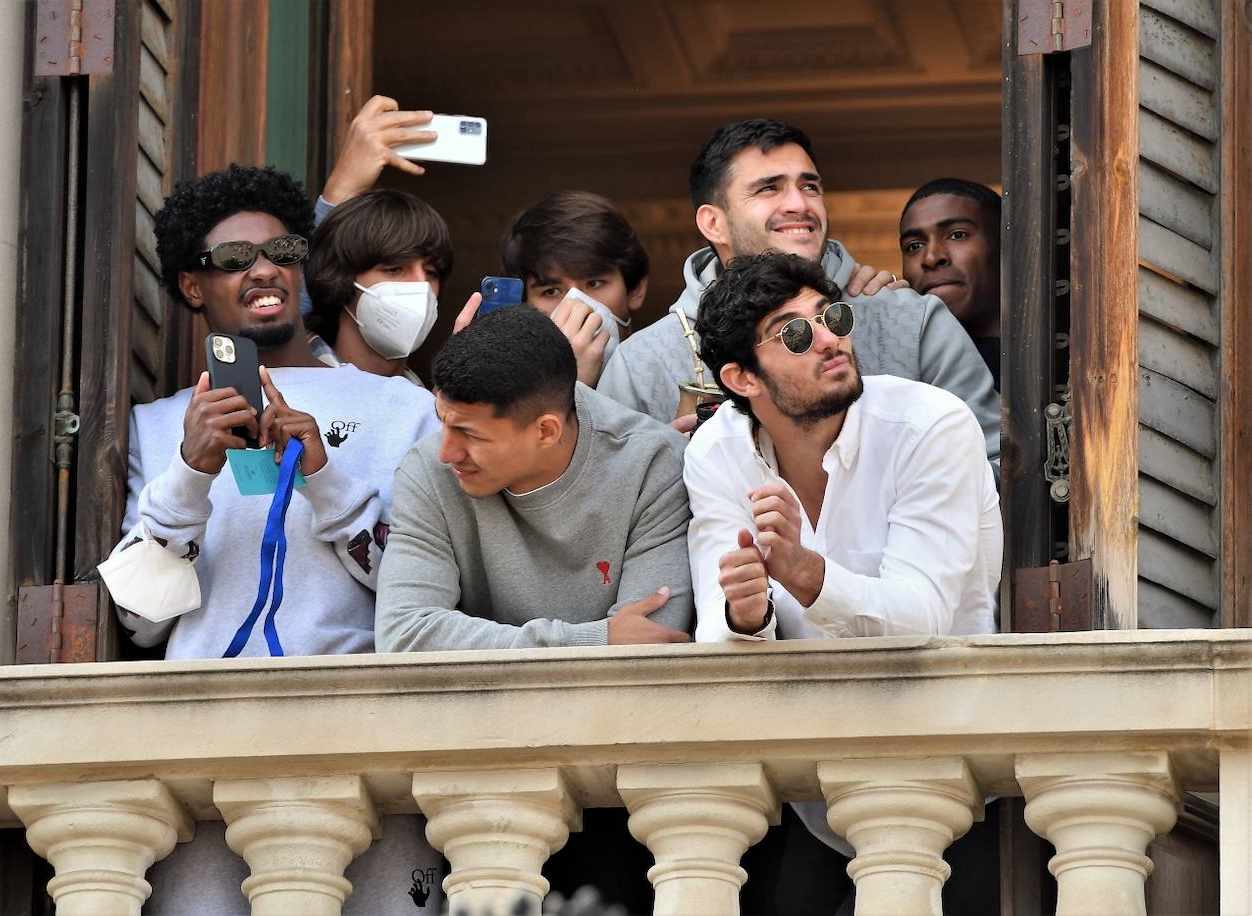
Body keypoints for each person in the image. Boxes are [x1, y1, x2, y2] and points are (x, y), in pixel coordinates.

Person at [111, 163, 443, 915]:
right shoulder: (156, 427)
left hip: (368, 743)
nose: (263, 269)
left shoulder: (402, 409)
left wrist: (323, 475)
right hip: (205, 756)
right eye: (232, 260)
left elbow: (421, 596)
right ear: (195, 287)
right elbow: (139, 622)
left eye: (282, 251)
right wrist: (189, 475)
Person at [686, 251, 1001, 914]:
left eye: (831, 316)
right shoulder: (716, 452)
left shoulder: (930, 425)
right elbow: (719, 637)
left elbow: (924, 620)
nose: (831, 338)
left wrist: (804, 573)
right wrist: (745, 618)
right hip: (816, 796)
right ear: (741, 378)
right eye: (794, 334)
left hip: (953, 783)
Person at [375, 305, 693, 913]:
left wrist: (486, 644)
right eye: (444, 423)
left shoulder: (649, 462)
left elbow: (650, 648)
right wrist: (594, 640)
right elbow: (404, 634)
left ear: (546, 429)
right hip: (479, 772)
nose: (446, 451)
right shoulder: (427, 471)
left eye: (469, 433)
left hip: (618, 787)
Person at [596, 118, 1000, 475]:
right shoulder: (640, 363)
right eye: (769, 189)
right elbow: (615, 517)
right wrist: (663, 476)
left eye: (810, 186)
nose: (799, 204)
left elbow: (996, 467)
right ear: (714, 223)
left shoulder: (914, 322)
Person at [304, 188, 453, 385]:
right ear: (340, 278)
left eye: (431, 273)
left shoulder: (430, 407)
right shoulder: (284, 394)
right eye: (394, 269)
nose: (421, 283)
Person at [501, 190, 650, 387]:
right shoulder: (504, 396)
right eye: (551, 291)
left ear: (636, 288)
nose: (577, 304)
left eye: (594, 283)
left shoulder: (671, 376)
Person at [899, 178, 1002, 390]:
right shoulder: (898, 370)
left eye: (957, 235)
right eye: (914, 246)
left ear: (1004, 244)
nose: (931, 258)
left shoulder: (1071, 355)